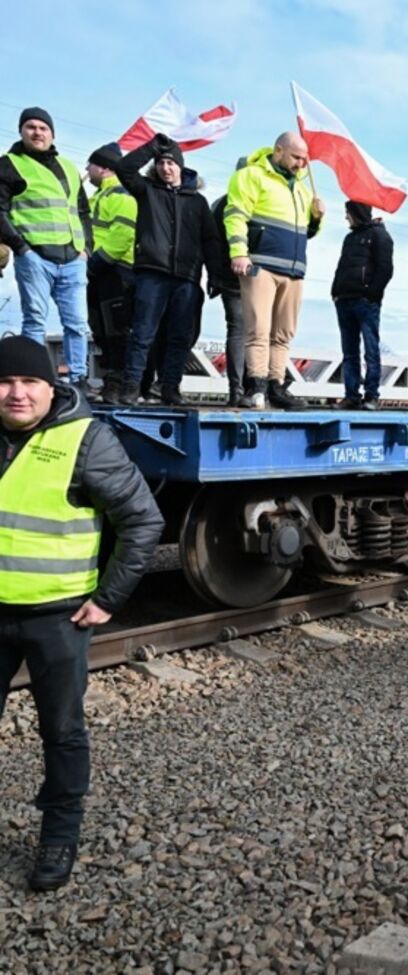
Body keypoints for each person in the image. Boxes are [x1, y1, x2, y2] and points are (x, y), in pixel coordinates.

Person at [0, 335, 163, 890]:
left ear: (51, 388)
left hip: (58, 617)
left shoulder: (85, 439)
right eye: (5, 382)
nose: (17, 393)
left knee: (62, 731)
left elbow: (143, 520)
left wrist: (108, 599)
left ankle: (58, 835)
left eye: (29, 382)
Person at [112, 134, 222, 407]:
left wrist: (215, 275)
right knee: (142, 334)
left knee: (180, 338)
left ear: (181, 166)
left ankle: (171, 388)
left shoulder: (197, 202)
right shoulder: (146, 190)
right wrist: (152, 148)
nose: (165, 168)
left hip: (186, 278)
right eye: (161, 163)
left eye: (171, 163)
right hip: (152, 273)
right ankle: (131, 386)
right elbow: (124, 168)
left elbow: (210, 240)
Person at [224, 132, 323, 410]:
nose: (301, 164)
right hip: (261, 264)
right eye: (296, 157)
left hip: (294, 269)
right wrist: (239, 252)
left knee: (283, 333)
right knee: (258, 329)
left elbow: (306, 232)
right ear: (278, 151)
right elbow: (235, 214)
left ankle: (276, 386)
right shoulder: (251, 176)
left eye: (304, 159)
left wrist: (317, 219)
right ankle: (256, 387)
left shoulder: (302, 189)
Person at [0, 108, 92, 391]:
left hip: (73, 257)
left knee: (78, 323)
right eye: (31, 127)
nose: (37, 132)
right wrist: (21, 248)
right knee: (35, 321)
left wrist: (86, 248)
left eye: (43, 128)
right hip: (35, 257)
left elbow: (82, 210)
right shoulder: (9, 164)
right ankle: (34, 378)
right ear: (21, 131)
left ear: (52, 134)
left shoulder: (69, 167)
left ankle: (78, 380)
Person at [85, 143, 136, 404]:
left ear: (104, 168)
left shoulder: (122, 196)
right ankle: (110, 381)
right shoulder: (98, 197)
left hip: (116, 271)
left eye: (91, 164)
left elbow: (123, 234)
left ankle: (117, 383)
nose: (87, 169)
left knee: (117, 330)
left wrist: (97, 261)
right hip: (98, 271)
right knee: (101, 329)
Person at [331, 200, 394, 410]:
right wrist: (335, 291)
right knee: (349, 352)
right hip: (344, 299)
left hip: (365, 302)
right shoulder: (349, 238)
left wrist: (371, 294)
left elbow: (385, 268)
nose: (346, 217)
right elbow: (341, 266)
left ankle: (371, 396)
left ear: (356, 213)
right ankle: (351, 395)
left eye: (348, 213)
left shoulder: (380, 235)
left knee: (371, 349)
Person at [209, 193, 246, 405]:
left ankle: (236, 391)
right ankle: (253, 390)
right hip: (254, 275)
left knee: (237, 331)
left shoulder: (220, 203)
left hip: (228, 276)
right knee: (257, 333)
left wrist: (215, 276)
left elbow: (211, 243)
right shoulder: (259, 197)